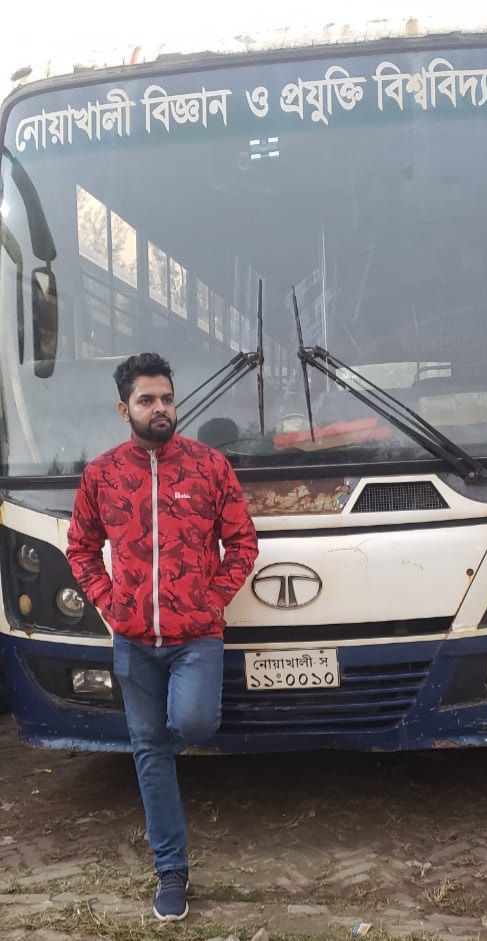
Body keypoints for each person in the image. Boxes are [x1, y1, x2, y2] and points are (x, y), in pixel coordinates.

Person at [66, 352, 258, 922]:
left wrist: (212, 598)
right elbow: (80, 547)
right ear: (124, 408)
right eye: (147, 400)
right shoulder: (102, 475)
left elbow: (243, 542)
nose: (160, 409)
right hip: (133, 643)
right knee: (149, 751)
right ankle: (171, 870)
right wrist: (107, 601)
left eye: (167, 399)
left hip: (196, 637)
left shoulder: (209, 466)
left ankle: (156, 750)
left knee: (194, 724)